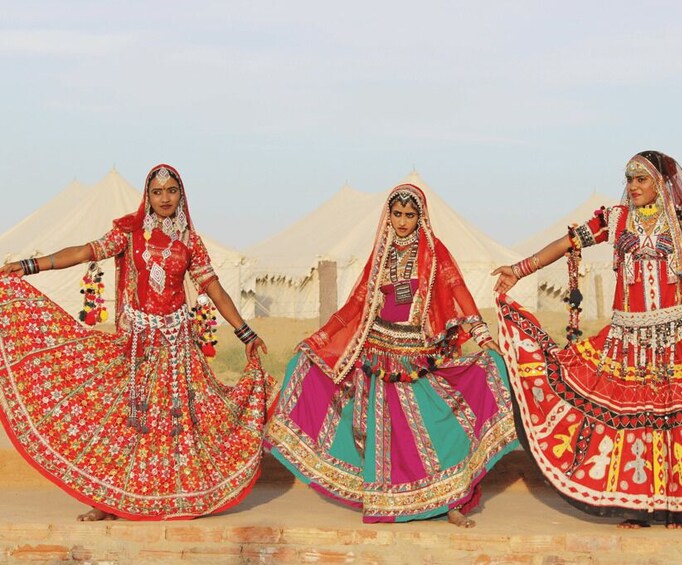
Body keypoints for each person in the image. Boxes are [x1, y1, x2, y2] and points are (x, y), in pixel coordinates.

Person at [492, 150, 682, 528]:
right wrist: (519, 269)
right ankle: (636, 508)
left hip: (676, 339)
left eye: (641, 179)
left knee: (675, 424)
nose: (633, 186)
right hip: (624, 342)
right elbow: (567, 244)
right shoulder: (615, 220)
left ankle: (676, 506)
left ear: (660, 183)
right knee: (632, 424)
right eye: (629, 179)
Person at [0, 164, 276, 521]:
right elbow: (84, 252)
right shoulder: (129, 234)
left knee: (179, 425)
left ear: (182, 195)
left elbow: (214, 289)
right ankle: (107, 502)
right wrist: (30, 265)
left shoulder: (190, 241)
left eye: (172, 191)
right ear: (147, 196)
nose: (165, 198)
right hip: (136, 347)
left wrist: (245, 332)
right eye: (157, 192)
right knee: (125, 422)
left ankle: (179, 495)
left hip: (178, 349)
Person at [265, 183, 518, 527]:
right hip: (378, 353)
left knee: (436, 425)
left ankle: (451, 500)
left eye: (409, 215)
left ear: (421, 217)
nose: (401, 222)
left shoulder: (433, 251)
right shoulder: (381, 253)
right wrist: (319, 337)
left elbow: (457, 288)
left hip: (416, 353)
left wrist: (482, 335)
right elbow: (356, 302)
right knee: (384, 433)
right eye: (396, 214)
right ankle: (387, 499)